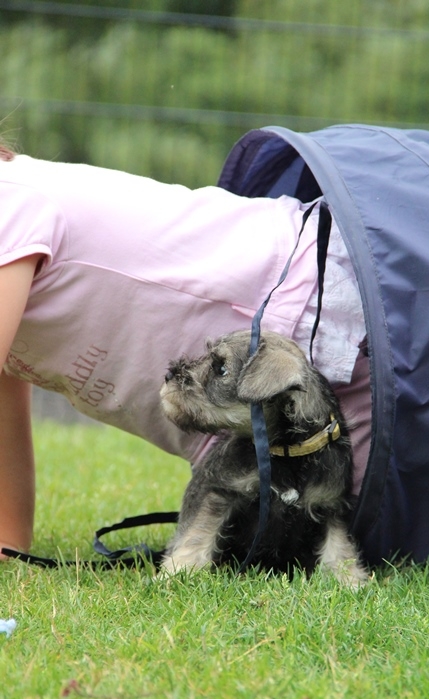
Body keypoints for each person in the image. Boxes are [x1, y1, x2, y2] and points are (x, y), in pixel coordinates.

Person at [0, 140, 371, 560]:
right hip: (242, 422)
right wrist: (9, 540)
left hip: (311, 322)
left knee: (394, 525)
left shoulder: (7, 204)